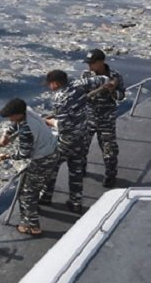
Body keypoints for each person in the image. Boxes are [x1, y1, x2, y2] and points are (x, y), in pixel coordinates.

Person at [41, 69, 115, 213]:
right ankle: (76, 202)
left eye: (50, 84)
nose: (49, 87)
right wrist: (110, 83)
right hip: (82, 136)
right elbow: (103, 79)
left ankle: (46, 197)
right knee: (76, 170)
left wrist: (49, 122)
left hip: (67, 140)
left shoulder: (59, 98)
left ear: (55, 84)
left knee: (51, 167)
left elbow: (63, 125)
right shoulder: (79, 84)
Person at [0, 98, 59, 236]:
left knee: (27, 195)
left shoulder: (26, 130)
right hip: (53, 152)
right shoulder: (27, 111)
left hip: (42, 160)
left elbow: (24, 153)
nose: (9, 119)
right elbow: (15, 125)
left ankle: (33, 227)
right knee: (38, 186)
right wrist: (6, 134)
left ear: (19, 114)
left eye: (11, 116)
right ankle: (41, 204)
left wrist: (7, 156)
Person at [81, 49, 126, 188]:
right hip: (88, 117)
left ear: (101, 62)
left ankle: (110, 175)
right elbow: (82, 93)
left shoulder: (115, 76)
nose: (90, 66)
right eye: (88, 63)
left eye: (92, 63)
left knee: (109, 150)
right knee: (82, 147)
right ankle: (81, 170)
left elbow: (121, 96)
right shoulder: (86, 75)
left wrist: (112, 90)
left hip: (106, 119)